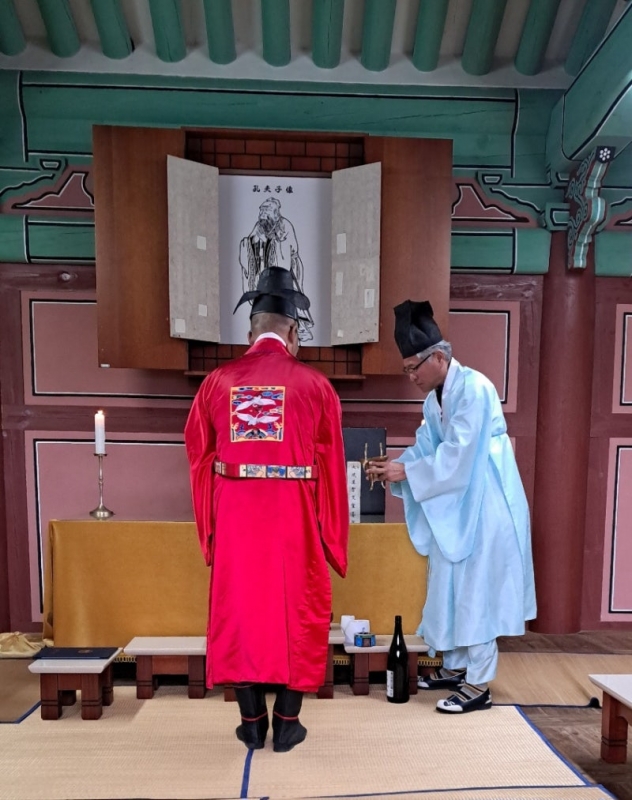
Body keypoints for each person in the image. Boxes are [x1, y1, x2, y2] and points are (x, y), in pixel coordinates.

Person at [184, 266, 349, 752]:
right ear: (293, 332)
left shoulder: (217, 383)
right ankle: (288, 723)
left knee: (240, 613)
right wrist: (331, 535)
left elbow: (198, 453)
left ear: (250, 332)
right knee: (299, 609)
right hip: (294, 518)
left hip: (236, 516)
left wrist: (211, 523)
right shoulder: (316, 386)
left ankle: (252, 723)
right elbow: (331, 466)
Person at [366, 300, 536, 714]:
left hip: (487, 500)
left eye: (414, 368)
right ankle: (457, 666)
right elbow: (428, 449)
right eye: (406, 370)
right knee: (450, 582)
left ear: (439, 358)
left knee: (477, 588)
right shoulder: (433, 401)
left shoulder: (474, 389)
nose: (411, 377)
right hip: (459, 500)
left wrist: (409, 472)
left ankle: (479, 684)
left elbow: (460, 455)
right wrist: (396, 467)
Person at [239, 197, 314, 342]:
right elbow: (252, 240)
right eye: (262, 210)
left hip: (287, 271)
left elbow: (291, 248)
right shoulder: (259, 226)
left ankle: (300, 328)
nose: (263, 213)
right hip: (267, 269)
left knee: (290, 300)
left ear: (275, 212)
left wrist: (276, 241)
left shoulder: (285, 225)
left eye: (267, 210)